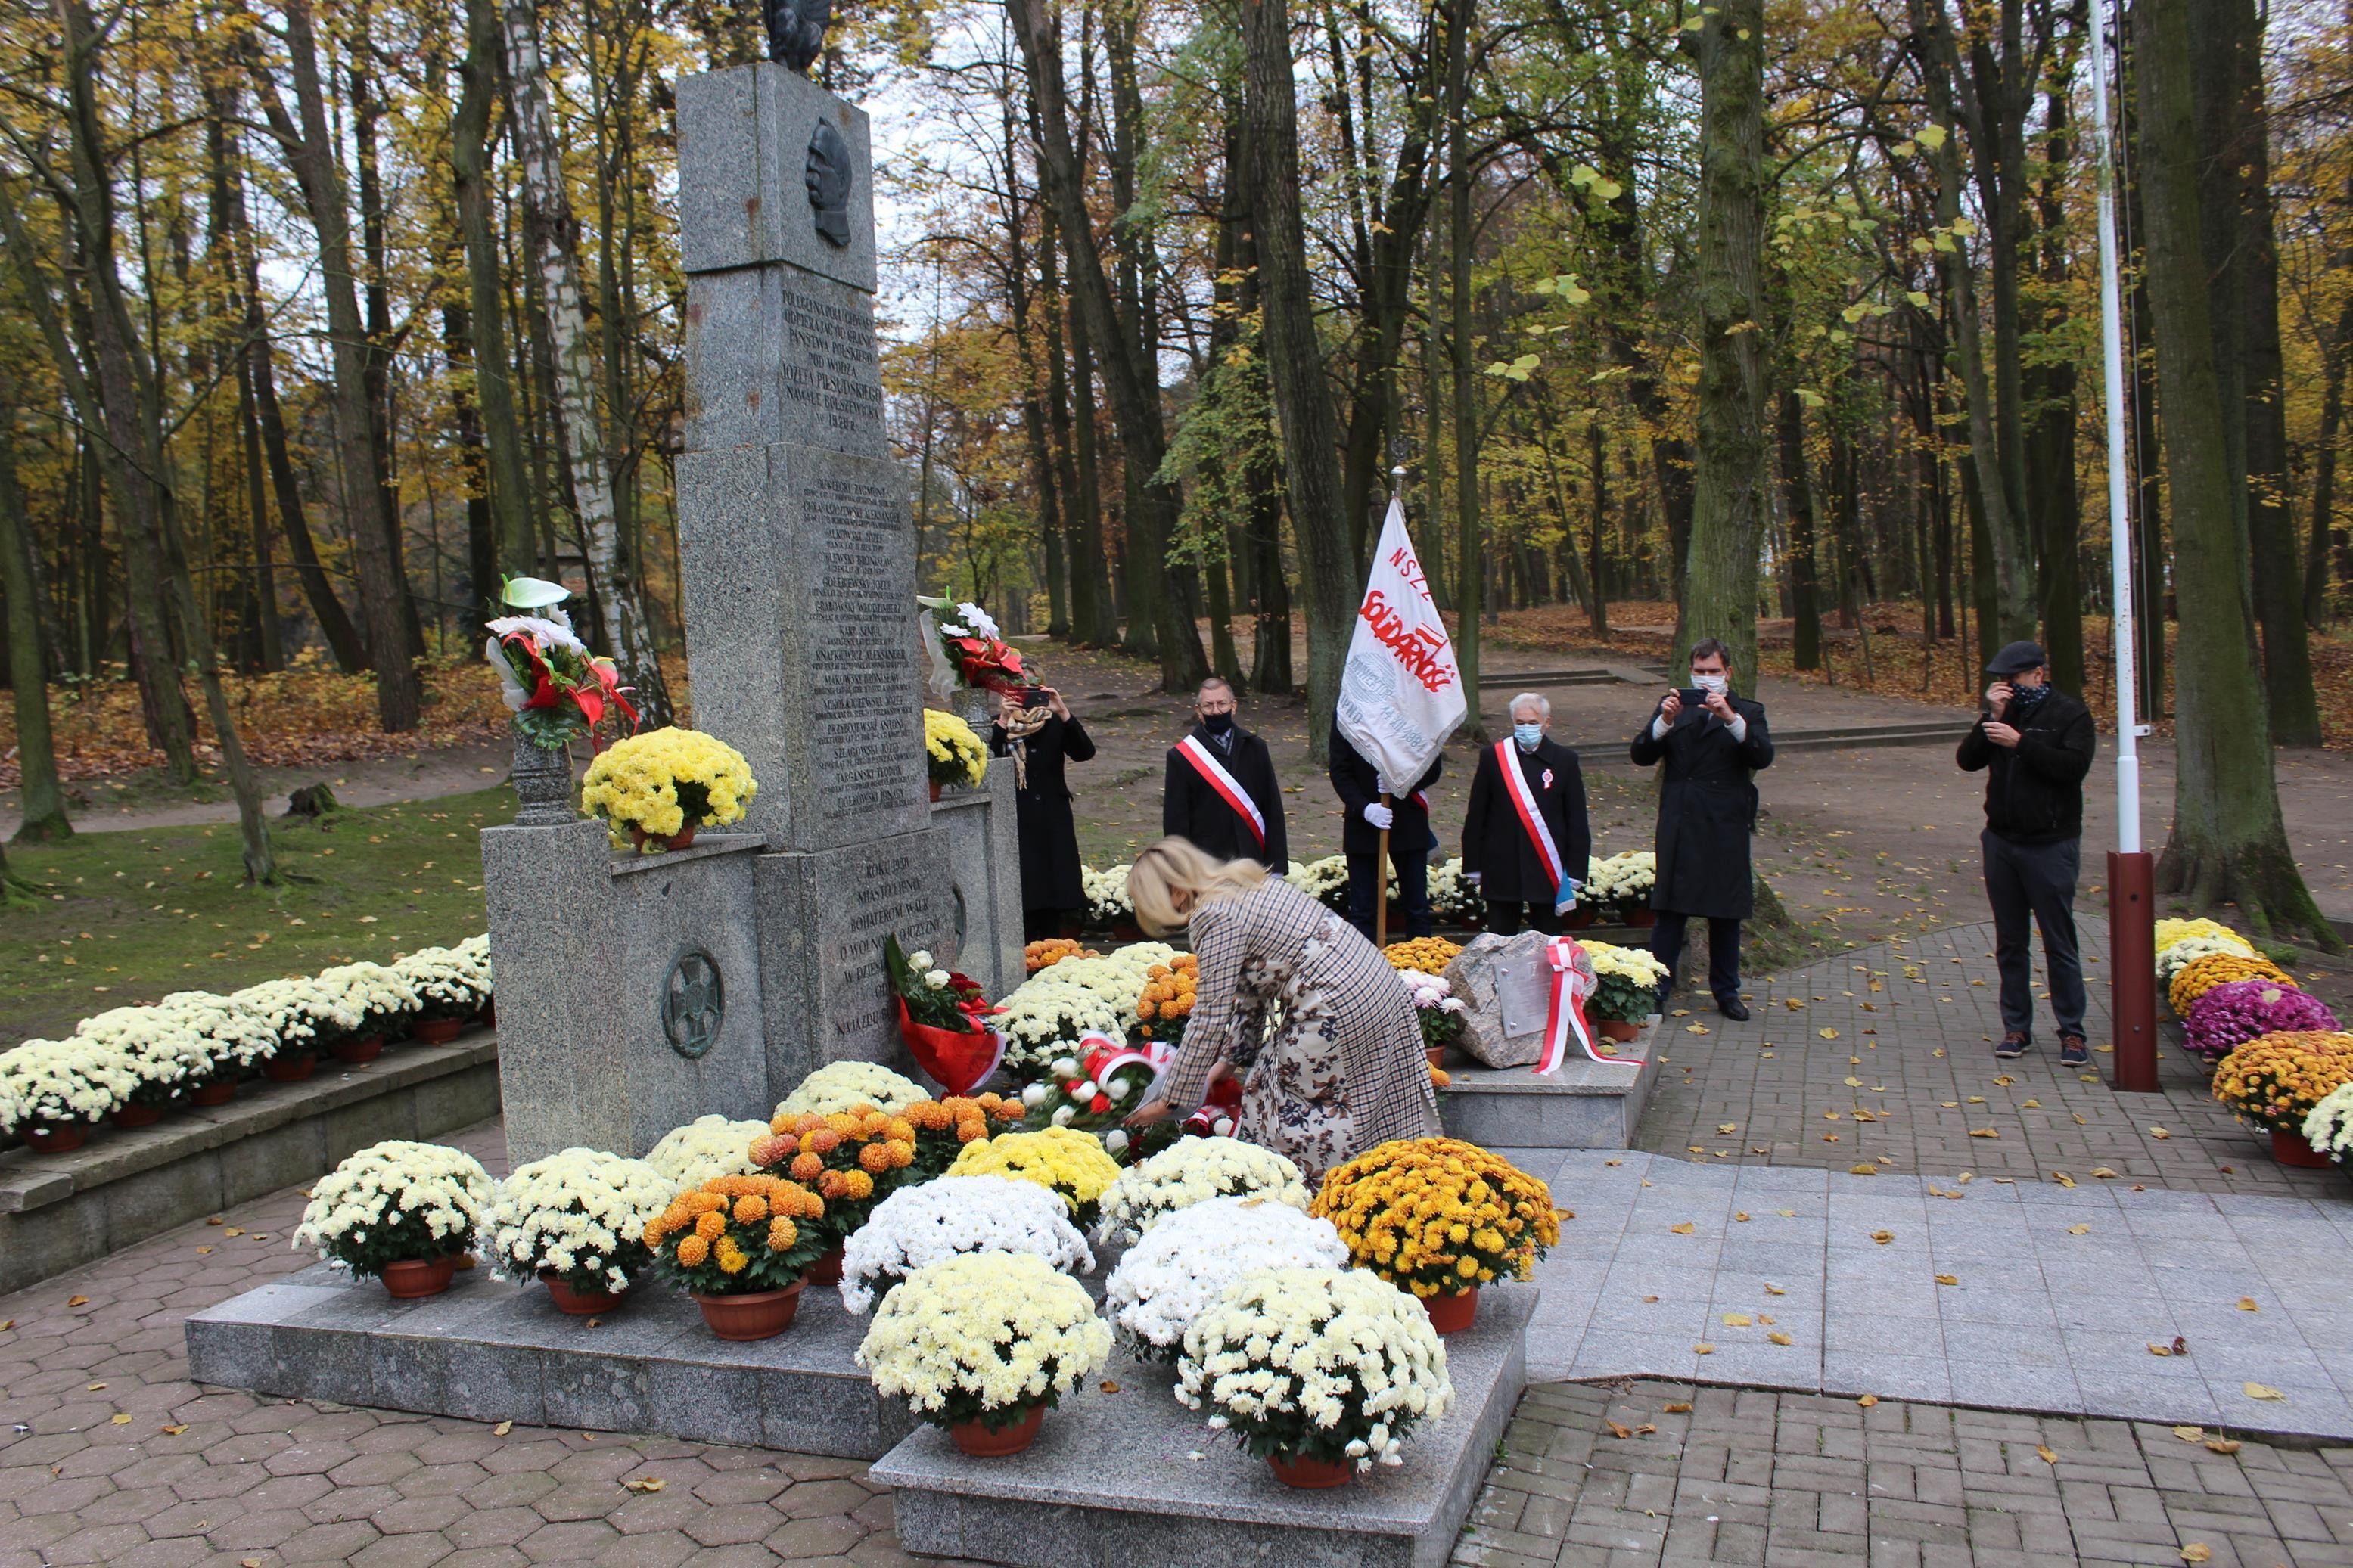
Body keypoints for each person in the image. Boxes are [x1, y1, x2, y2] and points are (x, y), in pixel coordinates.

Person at [1122, 837, 1439, 1184]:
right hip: (1374, 986)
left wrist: (1171, 1100)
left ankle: (1308, 1192)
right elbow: (1251, 992)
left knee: (1274, 1098)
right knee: (1365, 1095)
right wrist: (1227, 1062)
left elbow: (1209, 1017)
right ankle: (1390, 1179)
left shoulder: (1214, 915)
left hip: (1333, 1002)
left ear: (1176, 891)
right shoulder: (1241, 881)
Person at [1957, 640, 2097, 1066]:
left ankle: (2072, 1032)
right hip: (2002, 841)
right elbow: (1967, 761)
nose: (2006, 687)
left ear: (2038, 674)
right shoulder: (2003, 712)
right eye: (2000, 681)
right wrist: (1991, 717)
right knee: (2010, 942)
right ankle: (2016, 1028)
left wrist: (2020, 743)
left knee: (2059, 942)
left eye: (2012, 679)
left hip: (2051, 845)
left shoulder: (2070, 714)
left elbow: (2073, 769)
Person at [1631, 638, 1773, 1021]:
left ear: (1728, 673)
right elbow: (1641, 754)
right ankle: (1658, 989)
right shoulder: (1677, 707)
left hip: (1725, 824)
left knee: (1725, 913)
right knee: (1671, 911)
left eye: (1714, 671)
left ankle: (1726, 991)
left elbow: (1763, 755)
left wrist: (1731, 718)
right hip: (1680, 822)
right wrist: (1663, 721)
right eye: (1700, 671)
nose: (1707, 679)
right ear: (1690, 671)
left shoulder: (1748, 711)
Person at [1459, 694, 1590, 936]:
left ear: (1547, 722)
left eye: (1532, 723)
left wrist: (1576, 870)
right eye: (1520, 723)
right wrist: (1474, 864)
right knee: (1500, 940)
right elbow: (1477, 814)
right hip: (1502, 866)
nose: (1525, 728)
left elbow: (1577, 821)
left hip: (1547, 867)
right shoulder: (1493, 757)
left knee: (1549, 942)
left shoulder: (1565, 761)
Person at [989, 684, 1094, 941]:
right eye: (1020, 691)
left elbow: (1084, 752)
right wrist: (1003, 720)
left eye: (1034, 690)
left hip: (1052, 820)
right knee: (1025, 891)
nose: (1027, 698)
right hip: (1018, 821)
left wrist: (1064, 711)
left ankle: (1053, 951)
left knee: (1053, 892)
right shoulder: (999, 725)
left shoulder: (1055, 723)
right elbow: (990, 758)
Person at [1328, 722, 1443, 942]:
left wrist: (1402, 782)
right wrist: (1365, 808)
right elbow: (1340, 771)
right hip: (1363, 821)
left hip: (1408, 818)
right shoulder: (1346, 710)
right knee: (1362, 910)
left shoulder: (1411, 705)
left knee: (1417, 908)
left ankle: (1420, 972)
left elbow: (1433, 767)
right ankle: (1366, 971)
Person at [1161, 677, 1287, 869]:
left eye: (1222, 704)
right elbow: (1176, 821)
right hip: (1207, 863)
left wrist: (1277, 865)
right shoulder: (1181, 757)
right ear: (1198, 711)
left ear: (1234, 706)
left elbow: (1272, 808)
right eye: (1208, 706)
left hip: (1252, 858)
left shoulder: (1255, 747)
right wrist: (1180, 870)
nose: (1216, 711)